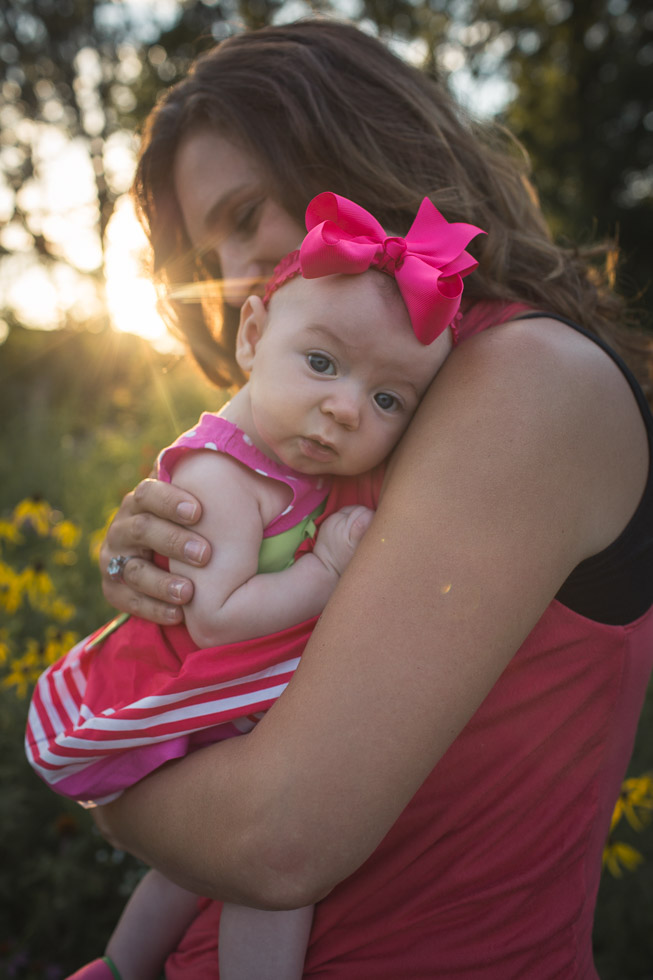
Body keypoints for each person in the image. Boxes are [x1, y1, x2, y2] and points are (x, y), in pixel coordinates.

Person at [85, 17, 651, 979]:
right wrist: (160, 581)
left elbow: (277, 837)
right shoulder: (353, 432)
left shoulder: (526, 377)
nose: (231, 275)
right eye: (210, 246)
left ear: (361, 139)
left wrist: (97, 764)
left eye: (249, 209)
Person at [27, 192, 484, 980]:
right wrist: (326, 569)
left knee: (187, 871)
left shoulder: (286, 452)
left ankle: (119, 966)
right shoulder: (223, 476)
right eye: (321, 363)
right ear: (251, 337)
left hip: (234, 700)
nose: (344, 409)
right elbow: (216, 619)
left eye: (386, 400)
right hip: (191, 695)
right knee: (270, 883)